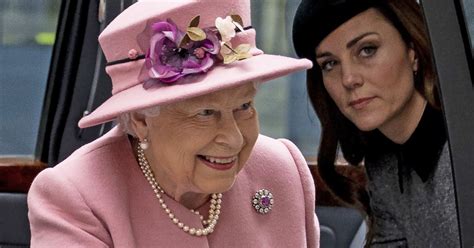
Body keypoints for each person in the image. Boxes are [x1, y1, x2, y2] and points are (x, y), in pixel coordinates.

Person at [27, 0, 320, 247]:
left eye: (244, 106)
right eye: (206, 113)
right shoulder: (77, 196)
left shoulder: (282, 170)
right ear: (141, 119)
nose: (234, 138)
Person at [293, 0, 459, 247]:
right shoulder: (385, 165)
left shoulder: (462, 148)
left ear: (412, 50)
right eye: (330, 63)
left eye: (367, 50)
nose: (349, 79)